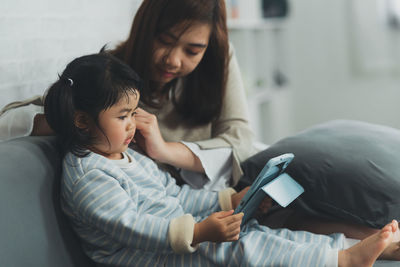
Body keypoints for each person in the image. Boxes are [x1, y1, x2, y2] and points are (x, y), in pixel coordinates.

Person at [44, 52, 400, 267]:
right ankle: (344, 259)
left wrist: (229, 199)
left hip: (174, 237)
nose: (133, 123)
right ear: (81, 120)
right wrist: (199, 232)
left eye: (134, 111)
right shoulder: (89, 176)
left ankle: (349, 251)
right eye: (123, 116)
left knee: (257, 229)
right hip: (148, 257)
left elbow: (174, 195)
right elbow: (134, 229)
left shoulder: (121, 154)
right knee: (240, 248)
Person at [0, 0, 254, 191]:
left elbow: (241, 142)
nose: (173, 60)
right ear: (145, 28)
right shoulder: (111, 76)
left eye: (192, 51)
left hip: (206, 195)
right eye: (165, 41)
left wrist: (164, 150)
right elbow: (8, 120)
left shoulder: (217, 61)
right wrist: (82, 119)